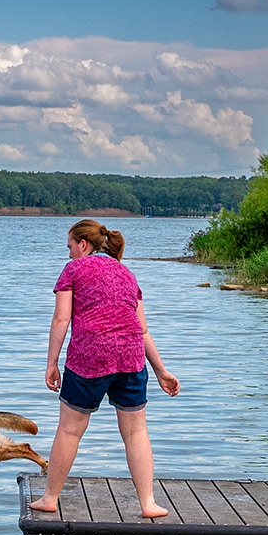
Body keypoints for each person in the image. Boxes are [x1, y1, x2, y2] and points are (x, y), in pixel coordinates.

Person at [28, 219, 179, 518]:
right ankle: (148, 503)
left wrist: (51, 363)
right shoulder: (127, 273)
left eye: (70, 246)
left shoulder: (74, 270)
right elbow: (142, 330)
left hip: (90, 358)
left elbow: (61, 320)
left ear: (83, 244)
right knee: (136, 433)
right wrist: (161, 370)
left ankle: (50, 497)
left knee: (70, 430)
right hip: (131, 358)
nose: (69, 253)